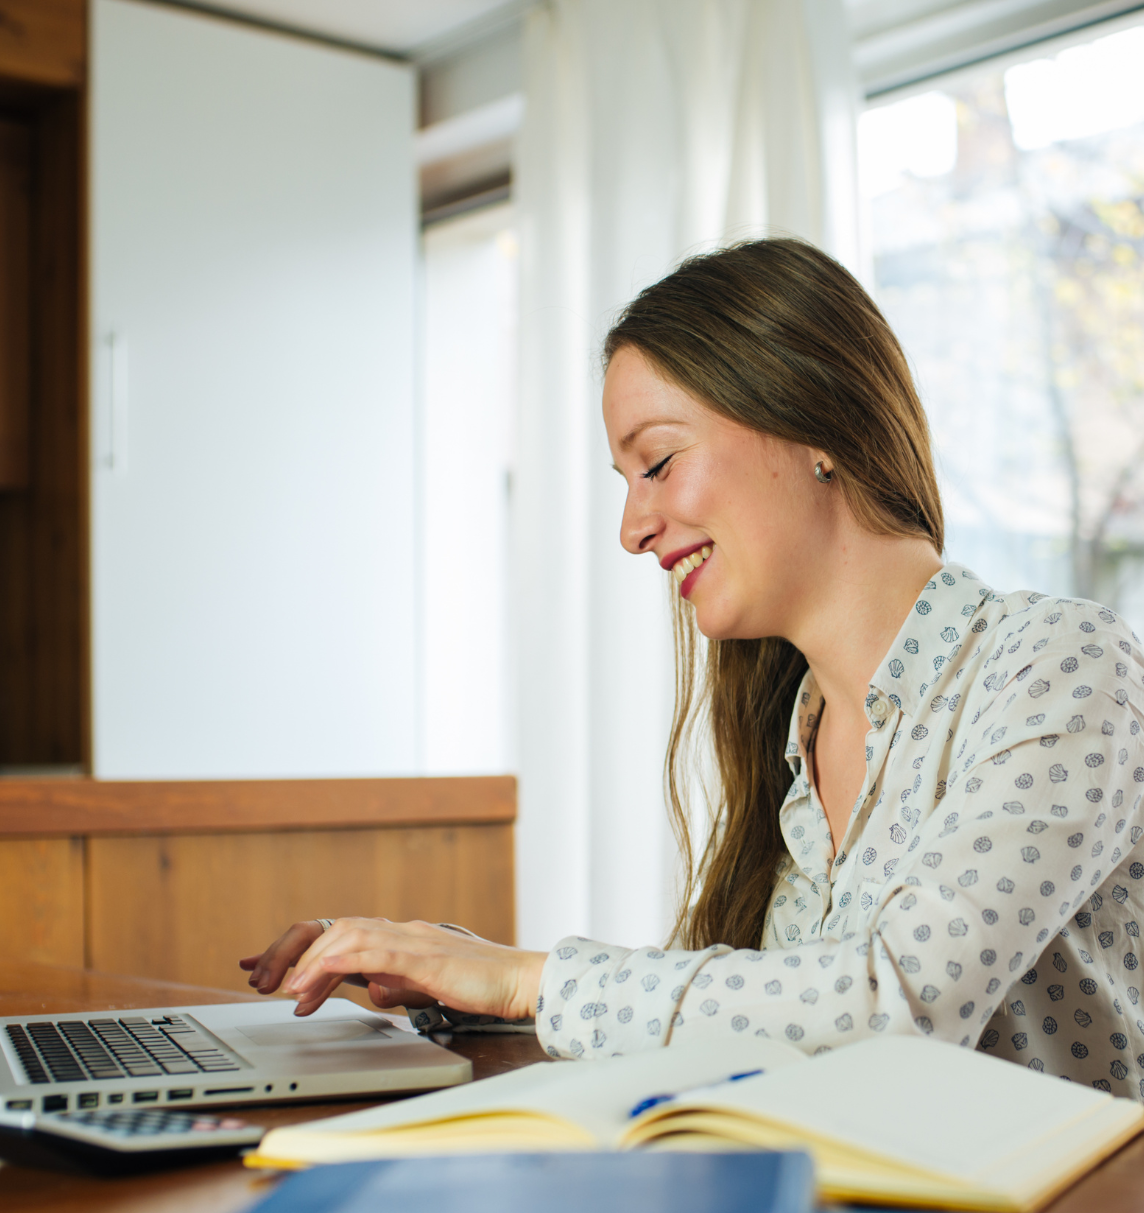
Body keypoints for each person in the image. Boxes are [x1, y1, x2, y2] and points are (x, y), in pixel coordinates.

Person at [241, 238, 1144, 1103]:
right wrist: (456, 980)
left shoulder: (1061, 663)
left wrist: (525, 979)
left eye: (659, 463)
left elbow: (901, 1004)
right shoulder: (795, 737)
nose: (632, 528)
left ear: (812, 418)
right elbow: (762, 1015)